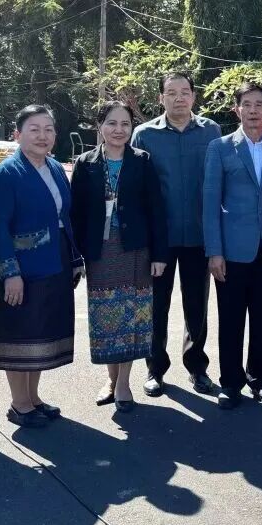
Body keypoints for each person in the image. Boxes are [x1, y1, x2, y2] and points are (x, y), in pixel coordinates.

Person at [0, 105, 82, 427]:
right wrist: (10, 273)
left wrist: (74, 259)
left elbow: (65, 218)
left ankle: (34, 397)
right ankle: (19, 404)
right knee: (20, 334)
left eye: (48, 129)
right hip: (21, 268)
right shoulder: (5, 174)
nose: (43, 136)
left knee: (41, 332)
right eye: (34, 129)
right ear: (17, 134)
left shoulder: (54, 167)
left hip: (55, 261)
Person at [203, 83, 262, 409]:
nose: (253, 110)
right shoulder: (220, 148)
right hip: (231, 251)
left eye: (259, 104)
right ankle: (230, 383)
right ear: (237, 109)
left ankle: (261, 379)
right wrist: (214, 251)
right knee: (230, 320)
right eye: (247, 104)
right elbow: (210, 203)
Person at [72, 101, 168, 413]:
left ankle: (124, 382)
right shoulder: (85, 163)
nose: (118, 130)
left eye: (125, 124)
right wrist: (76, 257)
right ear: (100, 126)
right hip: (99, 252)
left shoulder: (142, 160)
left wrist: (159, 254)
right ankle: (110, 379)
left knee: (132, 317)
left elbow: (156, 210)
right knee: (106, 318)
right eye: (111, 123)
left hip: (135, 250)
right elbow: (75, 214)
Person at [132, 72, 221, 397]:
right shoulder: (144, 135)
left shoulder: (211, 131)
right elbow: (137, 188)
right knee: (156, 305)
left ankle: (197, 367)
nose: (179, 98)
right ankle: (155, 369)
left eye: (185, 92)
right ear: (161, 98)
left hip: (199, 235)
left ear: (194, 97)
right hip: (160, 239)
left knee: (197, 306)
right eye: (171, 92)